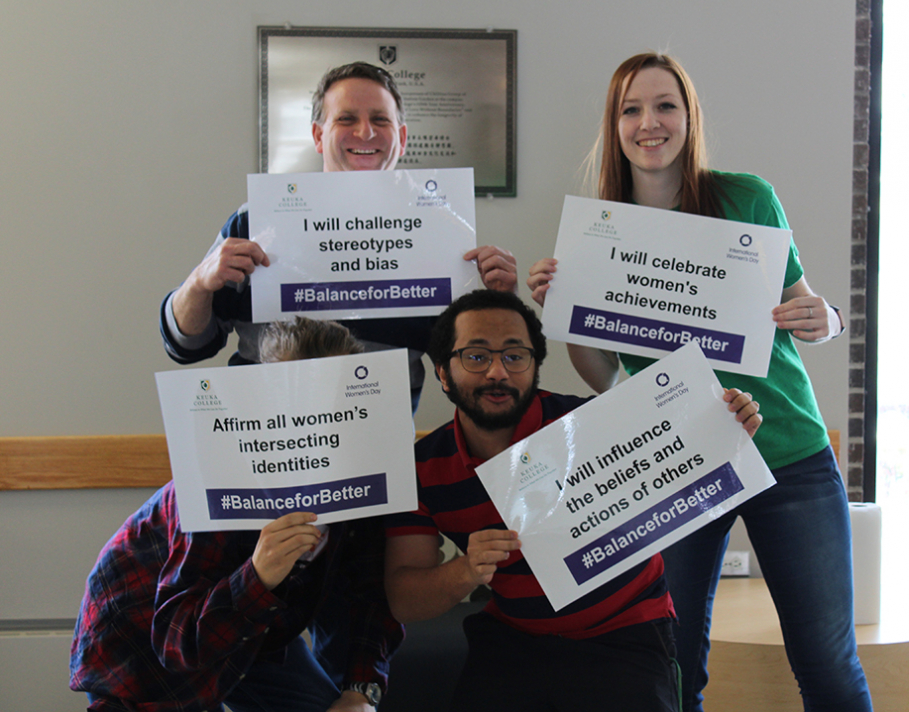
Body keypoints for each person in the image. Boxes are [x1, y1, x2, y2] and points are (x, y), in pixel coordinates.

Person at [527, 53, 872, 712]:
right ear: (614, 124)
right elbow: (605, 377)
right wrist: (565, 311)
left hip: (789, 454)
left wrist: (825, 317)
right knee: (674, 669)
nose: (648, 122)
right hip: (678, 462)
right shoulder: (598, 232)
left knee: (826, 663)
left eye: (664, 106)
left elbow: (810, 310)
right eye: (631, 109)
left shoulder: (745, 196)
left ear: (688, 119)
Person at [384, 289, 762, 712]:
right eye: (475, 356)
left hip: (626, 631)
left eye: (515, 356)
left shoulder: (589, 425)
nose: (497, 372)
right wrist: (466, 570)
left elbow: (678, 479)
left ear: (535, 366)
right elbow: (405, 599)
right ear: (442, 372)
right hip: (515, 638)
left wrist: (724, 434)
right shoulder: (422, 468)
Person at [70, 318, 402, 712]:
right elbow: (178, 645)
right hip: (141, 639)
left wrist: (361, 691)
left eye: (325, 396)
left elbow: (370, 594)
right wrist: (258, 576)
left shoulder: (364, 475)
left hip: (256, 637)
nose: (307, 419)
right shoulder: (217, 478)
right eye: (289, 397)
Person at [160, 61, 517, 411]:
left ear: (402, 137)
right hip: (264, 442)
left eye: (380, 119)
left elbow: (467, 369)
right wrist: (197, 285)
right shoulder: (257, 220)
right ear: (318, 135)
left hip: (377, 443)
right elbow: (187, 346)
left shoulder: (441, 231)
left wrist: (501, 302)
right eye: (346, 119)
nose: (365, 132)